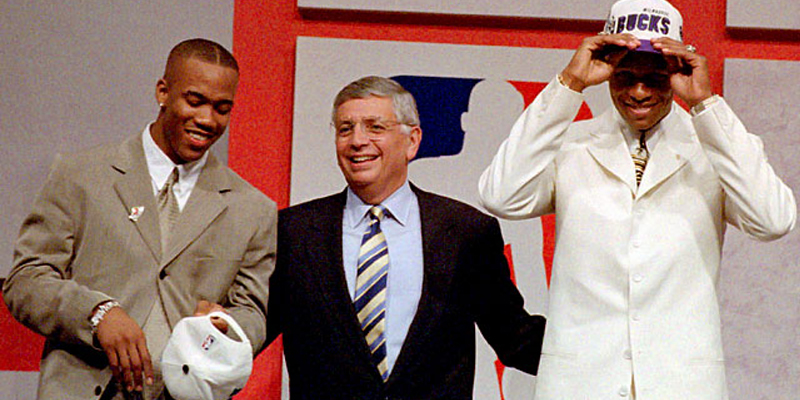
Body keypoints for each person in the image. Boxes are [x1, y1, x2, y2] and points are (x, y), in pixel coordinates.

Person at [478, 0, 797, 399]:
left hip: (680, 387)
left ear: (678, 73)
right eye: (625, 76)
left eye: (655, 77)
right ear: (607, 72)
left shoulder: (718, 147)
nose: (639, 92)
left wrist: (706, 105)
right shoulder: (571, 144)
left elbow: (773, 220)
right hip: (579, 386)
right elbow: (501, 196)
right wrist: (568, 85)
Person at [3, 38, 276, 400]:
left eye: (222, 108)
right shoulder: (79, 176)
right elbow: (26, 281)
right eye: (195, 101)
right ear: (163, 92)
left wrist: (225, 326)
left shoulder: (253, 209)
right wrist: (97, 314)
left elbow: (252, 314)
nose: (207, 119)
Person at [266, 76, 546, 399]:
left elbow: (515, 338)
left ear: (412, 141)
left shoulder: (466, 232)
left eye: (375, 127)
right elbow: (249, 332)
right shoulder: (293, 232)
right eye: (345, 129)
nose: (357, 140)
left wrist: (594, 351)